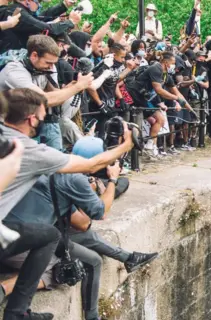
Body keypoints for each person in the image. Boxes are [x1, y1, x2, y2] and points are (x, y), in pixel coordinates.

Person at [0, 88, 134, 319]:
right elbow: (92, 169)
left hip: (11, 227)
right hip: (7, 239)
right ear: (31, 119)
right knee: (52, 240)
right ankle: (16, 312)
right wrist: (126, 147)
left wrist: (80, 83)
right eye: (43, 117)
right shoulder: (28, 150)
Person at [4, 136, 157, 320]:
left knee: (90, 254)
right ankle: (4, 289)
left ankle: (127, 258)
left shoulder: (53, 165)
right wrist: (113, 180)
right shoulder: (74, 179)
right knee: (60, 270)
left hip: (17, 232)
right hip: (24, 243)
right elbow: (92, 217)